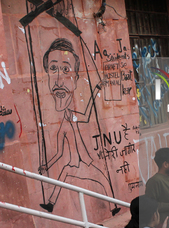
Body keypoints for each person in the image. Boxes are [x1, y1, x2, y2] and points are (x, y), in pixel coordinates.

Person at [38, 38, 119, 215]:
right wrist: (46, 165)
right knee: (64, 175)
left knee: (103, 179)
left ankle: (113, 206)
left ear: (75, 79)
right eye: (53, 69)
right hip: (74, 164)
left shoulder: (73, 117)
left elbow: (88, 113)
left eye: (66, 70)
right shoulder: (64, 126)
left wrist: (96, 89)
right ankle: (51, 204)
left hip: (85, 161)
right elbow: (59, 153)